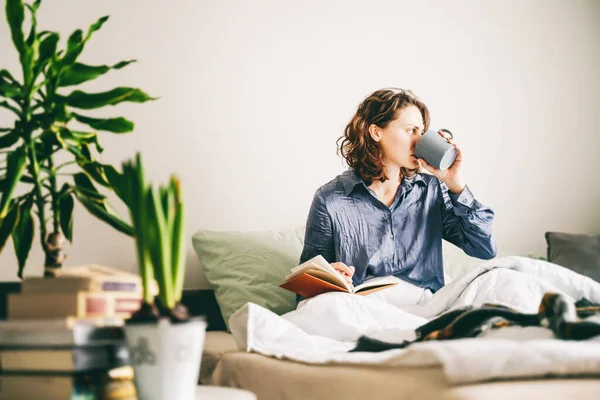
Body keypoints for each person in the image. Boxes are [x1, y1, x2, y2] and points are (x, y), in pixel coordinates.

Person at [298, 88, 497, 304]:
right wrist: (330, 278)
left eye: (422, 132)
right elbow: (305, 293)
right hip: (363, 308)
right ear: (376, 132)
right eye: (411, 130)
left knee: (504, 279)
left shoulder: (432, 190)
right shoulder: (330, 199)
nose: (419, 141)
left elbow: (484, 248)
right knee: (317, 307)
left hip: (425, 306)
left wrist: (455, 183)